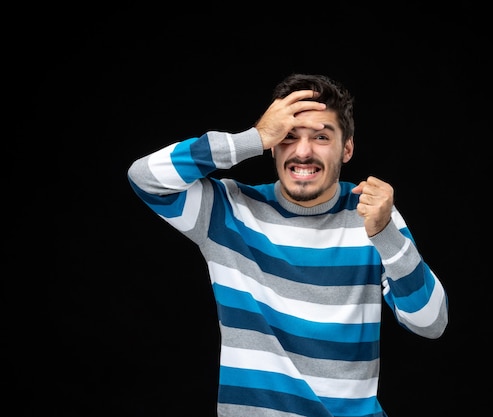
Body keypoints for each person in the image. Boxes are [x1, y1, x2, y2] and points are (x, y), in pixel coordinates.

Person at [127, 73, 448, 417]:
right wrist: (252, 138)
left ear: (347, 147)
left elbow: (430, 322)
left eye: (322, 136)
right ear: (273, 144)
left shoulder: (371, 215)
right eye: (288, 136)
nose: (303, 151)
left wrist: (384, 232)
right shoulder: (228, 211)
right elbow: (145, 177)